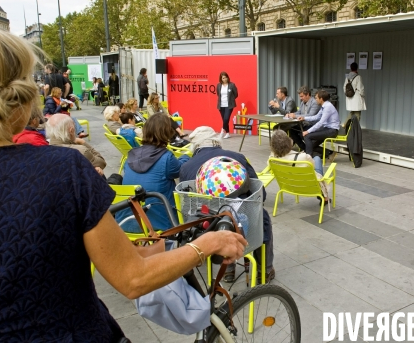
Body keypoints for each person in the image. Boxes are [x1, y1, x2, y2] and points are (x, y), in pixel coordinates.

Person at [0, 26, 248, 341]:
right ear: (21, 94)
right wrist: (206, 244)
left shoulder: (110, 157)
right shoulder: (62, 170)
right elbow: (132, 279)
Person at [179, 126, 275, 284]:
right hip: (244, 225)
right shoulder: (236, 157)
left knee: (219, 214)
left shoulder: (186, 167)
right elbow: (260, 194)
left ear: (195, 146)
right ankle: (265, 269)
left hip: (207, 227)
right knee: (261, 216)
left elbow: (189, 203)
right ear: (216, 141)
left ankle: (228, 270)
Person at [115, 113, 190, 233]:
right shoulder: (166, 158)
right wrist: (186, 156)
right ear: (167, 133)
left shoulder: (131, 154)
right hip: (158, 224)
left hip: (126, 221)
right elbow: (180, 169)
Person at [270, 130, 329, 202]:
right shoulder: (303, 157)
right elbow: (313, 166)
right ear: (288, 142)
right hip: (309, 186)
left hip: (289, 186)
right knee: (316, 158)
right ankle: (323, 196)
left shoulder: (272, 159)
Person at [299, 90, 340, 157]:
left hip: (332, 131)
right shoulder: (324, 106)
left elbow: (321, 123)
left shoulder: (327, 107)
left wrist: (308, 131)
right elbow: (316, 117)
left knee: (307, 136)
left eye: (316, 98)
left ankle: (308, 158)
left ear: (321, 99)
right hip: (327, 129)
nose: (315, 100)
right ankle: (329, 153)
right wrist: (304, 118)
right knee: (310, 144)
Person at [285, 85, 321, 151]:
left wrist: (295, 116)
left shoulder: (315, 103)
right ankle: (304, 148)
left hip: (313, 125)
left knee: (303, 135)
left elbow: (310, 115)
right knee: (292, 130)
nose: (300, 98)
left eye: (302, 96)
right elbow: (299, 112)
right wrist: (291, 114)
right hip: (304, 124)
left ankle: (309, 150)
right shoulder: (302, 102)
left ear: (307, 94)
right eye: (300, 96)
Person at [215, 71, 238, 139]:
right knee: (224, 120)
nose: (225, 79)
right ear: (221, 79)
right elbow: (218, 94)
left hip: (229, 105)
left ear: (228, 77)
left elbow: (236, 94)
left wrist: (231, 99)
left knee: (226, 118)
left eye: (225, 77)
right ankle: (227, 133)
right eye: (223, 78)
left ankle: (222, 131)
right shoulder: (219, 85)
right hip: (221, 105)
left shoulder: (232, 85)